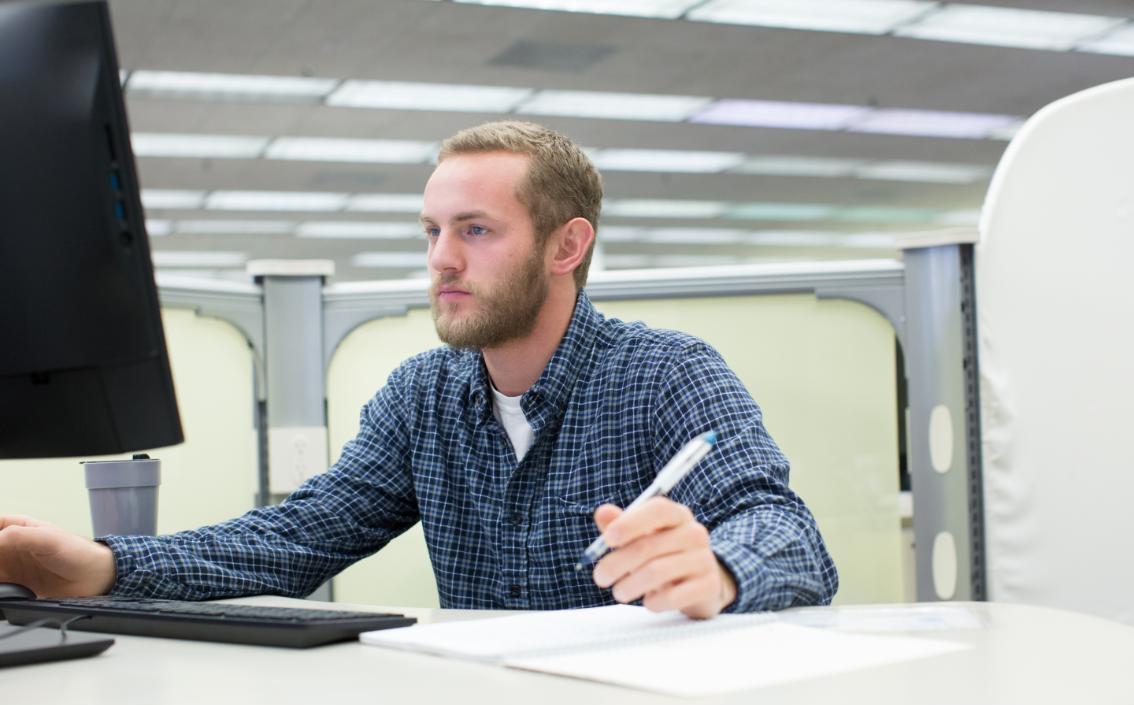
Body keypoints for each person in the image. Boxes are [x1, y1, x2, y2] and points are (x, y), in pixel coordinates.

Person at [0, 121, 837, 619]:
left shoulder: (665, 374)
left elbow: (790, 536)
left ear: (566, 245)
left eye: (474, 230)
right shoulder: (423, 396)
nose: (441, 260)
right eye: (431, 232)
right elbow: (297, 540)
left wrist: (721, 568)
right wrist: (103, 567)